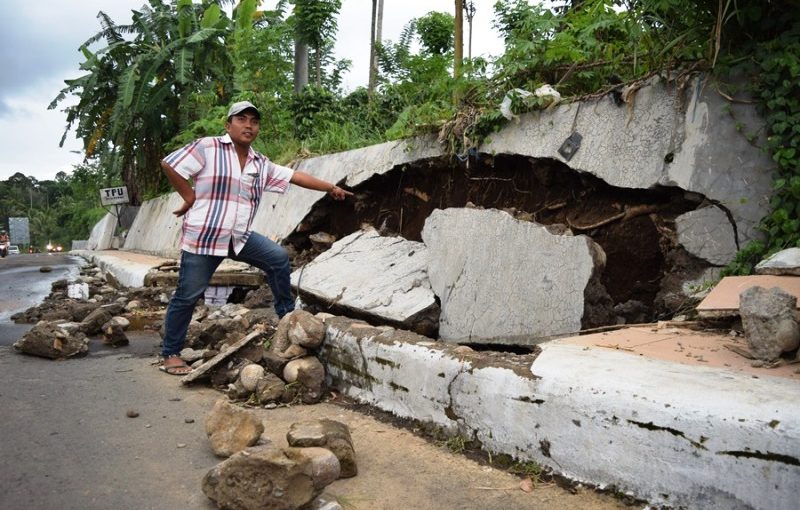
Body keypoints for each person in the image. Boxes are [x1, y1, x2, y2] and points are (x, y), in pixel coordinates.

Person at [159, 100, 352, 375]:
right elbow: (170, 165)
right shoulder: (208, 147)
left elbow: (295, 176)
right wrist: (189, 196)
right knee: (188, 295)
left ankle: (286, 317)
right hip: (204, 237)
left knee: (277, 258)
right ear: (228, 125)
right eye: (241, 119)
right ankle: (171, 353)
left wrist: (330, 187)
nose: (248, 125)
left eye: (254, 121)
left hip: (238, 237)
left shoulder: (260, 163)